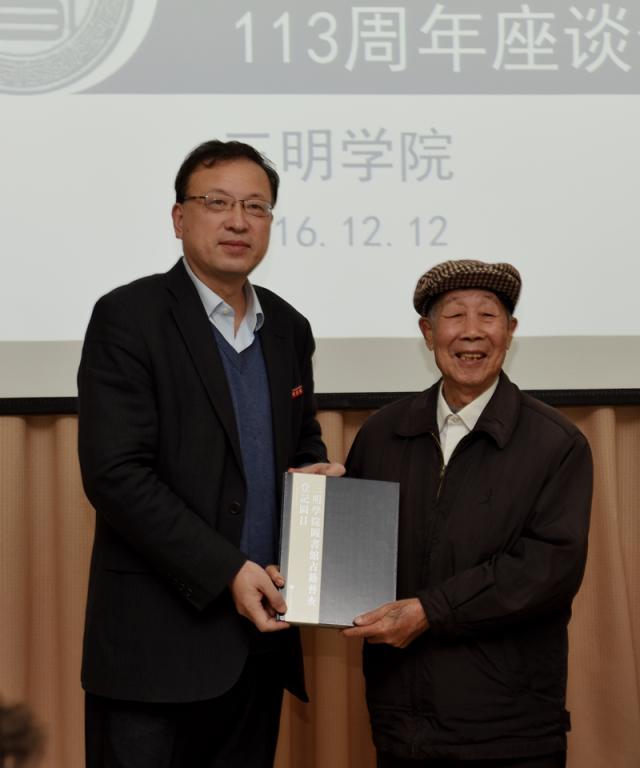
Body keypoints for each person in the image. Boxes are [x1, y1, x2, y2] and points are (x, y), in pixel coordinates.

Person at [77, 139, 342, 768]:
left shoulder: (289, 327)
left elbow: (301, 437)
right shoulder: (128, 316)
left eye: (256, 207)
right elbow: (116, 475)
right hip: (154, 648)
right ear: (179, 218)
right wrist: (226, 569)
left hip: (260, 642)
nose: (238, 221)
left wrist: (315, 479)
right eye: (217, 203)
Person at [343, 260, 592, 768]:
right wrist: (315, 515)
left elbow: (547, 569)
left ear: (510, 331)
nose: (472, 331)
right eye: (455, 315)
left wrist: (430, 611)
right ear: (427, 332)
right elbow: (355, 553)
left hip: (511, 729)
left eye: (488, 315)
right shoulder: (382, 434)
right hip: (401, 724)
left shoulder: (556, 443)